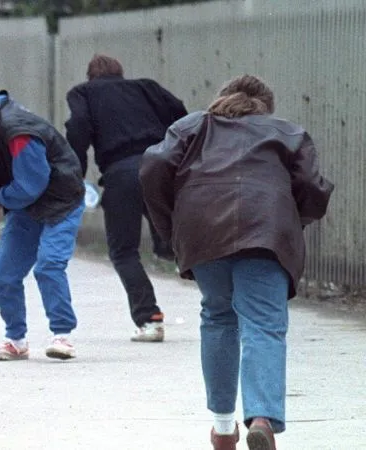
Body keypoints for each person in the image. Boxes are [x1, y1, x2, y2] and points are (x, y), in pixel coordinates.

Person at [140, 75, 334, 450]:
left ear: (222, 99)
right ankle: (261, 417)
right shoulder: (288, 133)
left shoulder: (191, 126)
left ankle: (223, 427)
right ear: (265, 107)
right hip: (266, 231)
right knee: (263, 324)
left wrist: (172, 223)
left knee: (218, 317)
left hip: (203, 230)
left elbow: (154, 165)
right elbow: (311, 185)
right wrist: (293, 219)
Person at [64, 54, 187, 342]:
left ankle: (150, 319)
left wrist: (77, 175)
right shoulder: (146, 87)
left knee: (123, 251)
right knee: (171, 242)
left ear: (90, 75)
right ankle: (217, 296)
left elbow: (78, 128)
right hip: (159, 168)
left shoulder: (83, 92)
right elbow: (181, 115)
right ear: (121, 73)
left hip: (122, 174)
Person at [0, 89, 85, 361]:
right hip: (25, 207)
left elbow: (31, 184)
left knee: (49, 264)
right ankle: (15, 340)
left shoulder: (20, 134)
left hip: (61, 201)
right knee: (4, 273)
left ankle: (62, 336)